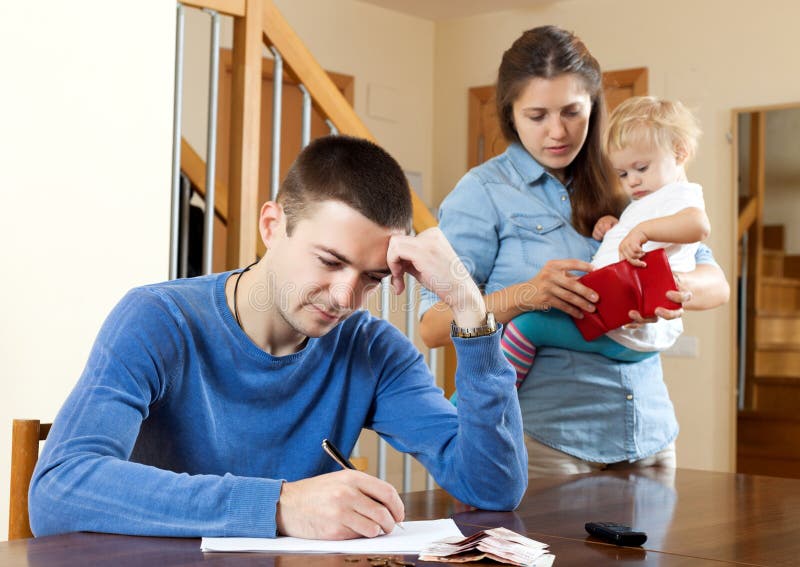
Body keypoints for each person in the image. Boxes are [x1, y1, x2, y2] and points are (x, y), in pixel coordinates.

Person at [29, 135, 527, 539]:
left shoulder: (374, 351)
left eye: (372, 277)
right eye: (329, 261)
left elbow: (493, 487)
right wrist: (279, 503)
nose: (345, 296)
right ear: (273, 224)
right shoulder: (157, 319)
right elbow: (59, 488)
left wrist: (467, 304)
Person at [419, 26, 729, 477]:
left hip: (649, 437)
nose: (558, 132)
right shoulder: (483, 192)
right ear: (509, 113)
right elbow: (432, 328)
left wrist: (666, 289)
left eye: (572, 112)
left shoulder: (632, 175)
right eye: (537, 115)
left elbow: (713, 281)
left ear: (594, 106)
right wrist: (527, 295)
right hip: (545, 448)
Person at [501, 96, 711, 386]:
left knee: (525, 326)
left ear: (679, 152)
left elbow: (698, 225)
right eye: (623, 173)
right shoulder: (648, 199)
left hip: (627, 325)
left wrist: (642, 231)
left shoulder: (681, 195)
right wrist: (615, 228)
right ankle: (487, 401)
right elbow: (640, 234)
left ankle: (489, 403)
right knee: (524, 321)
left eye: (641, 168)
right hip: (616, 315)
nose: (632, 181)